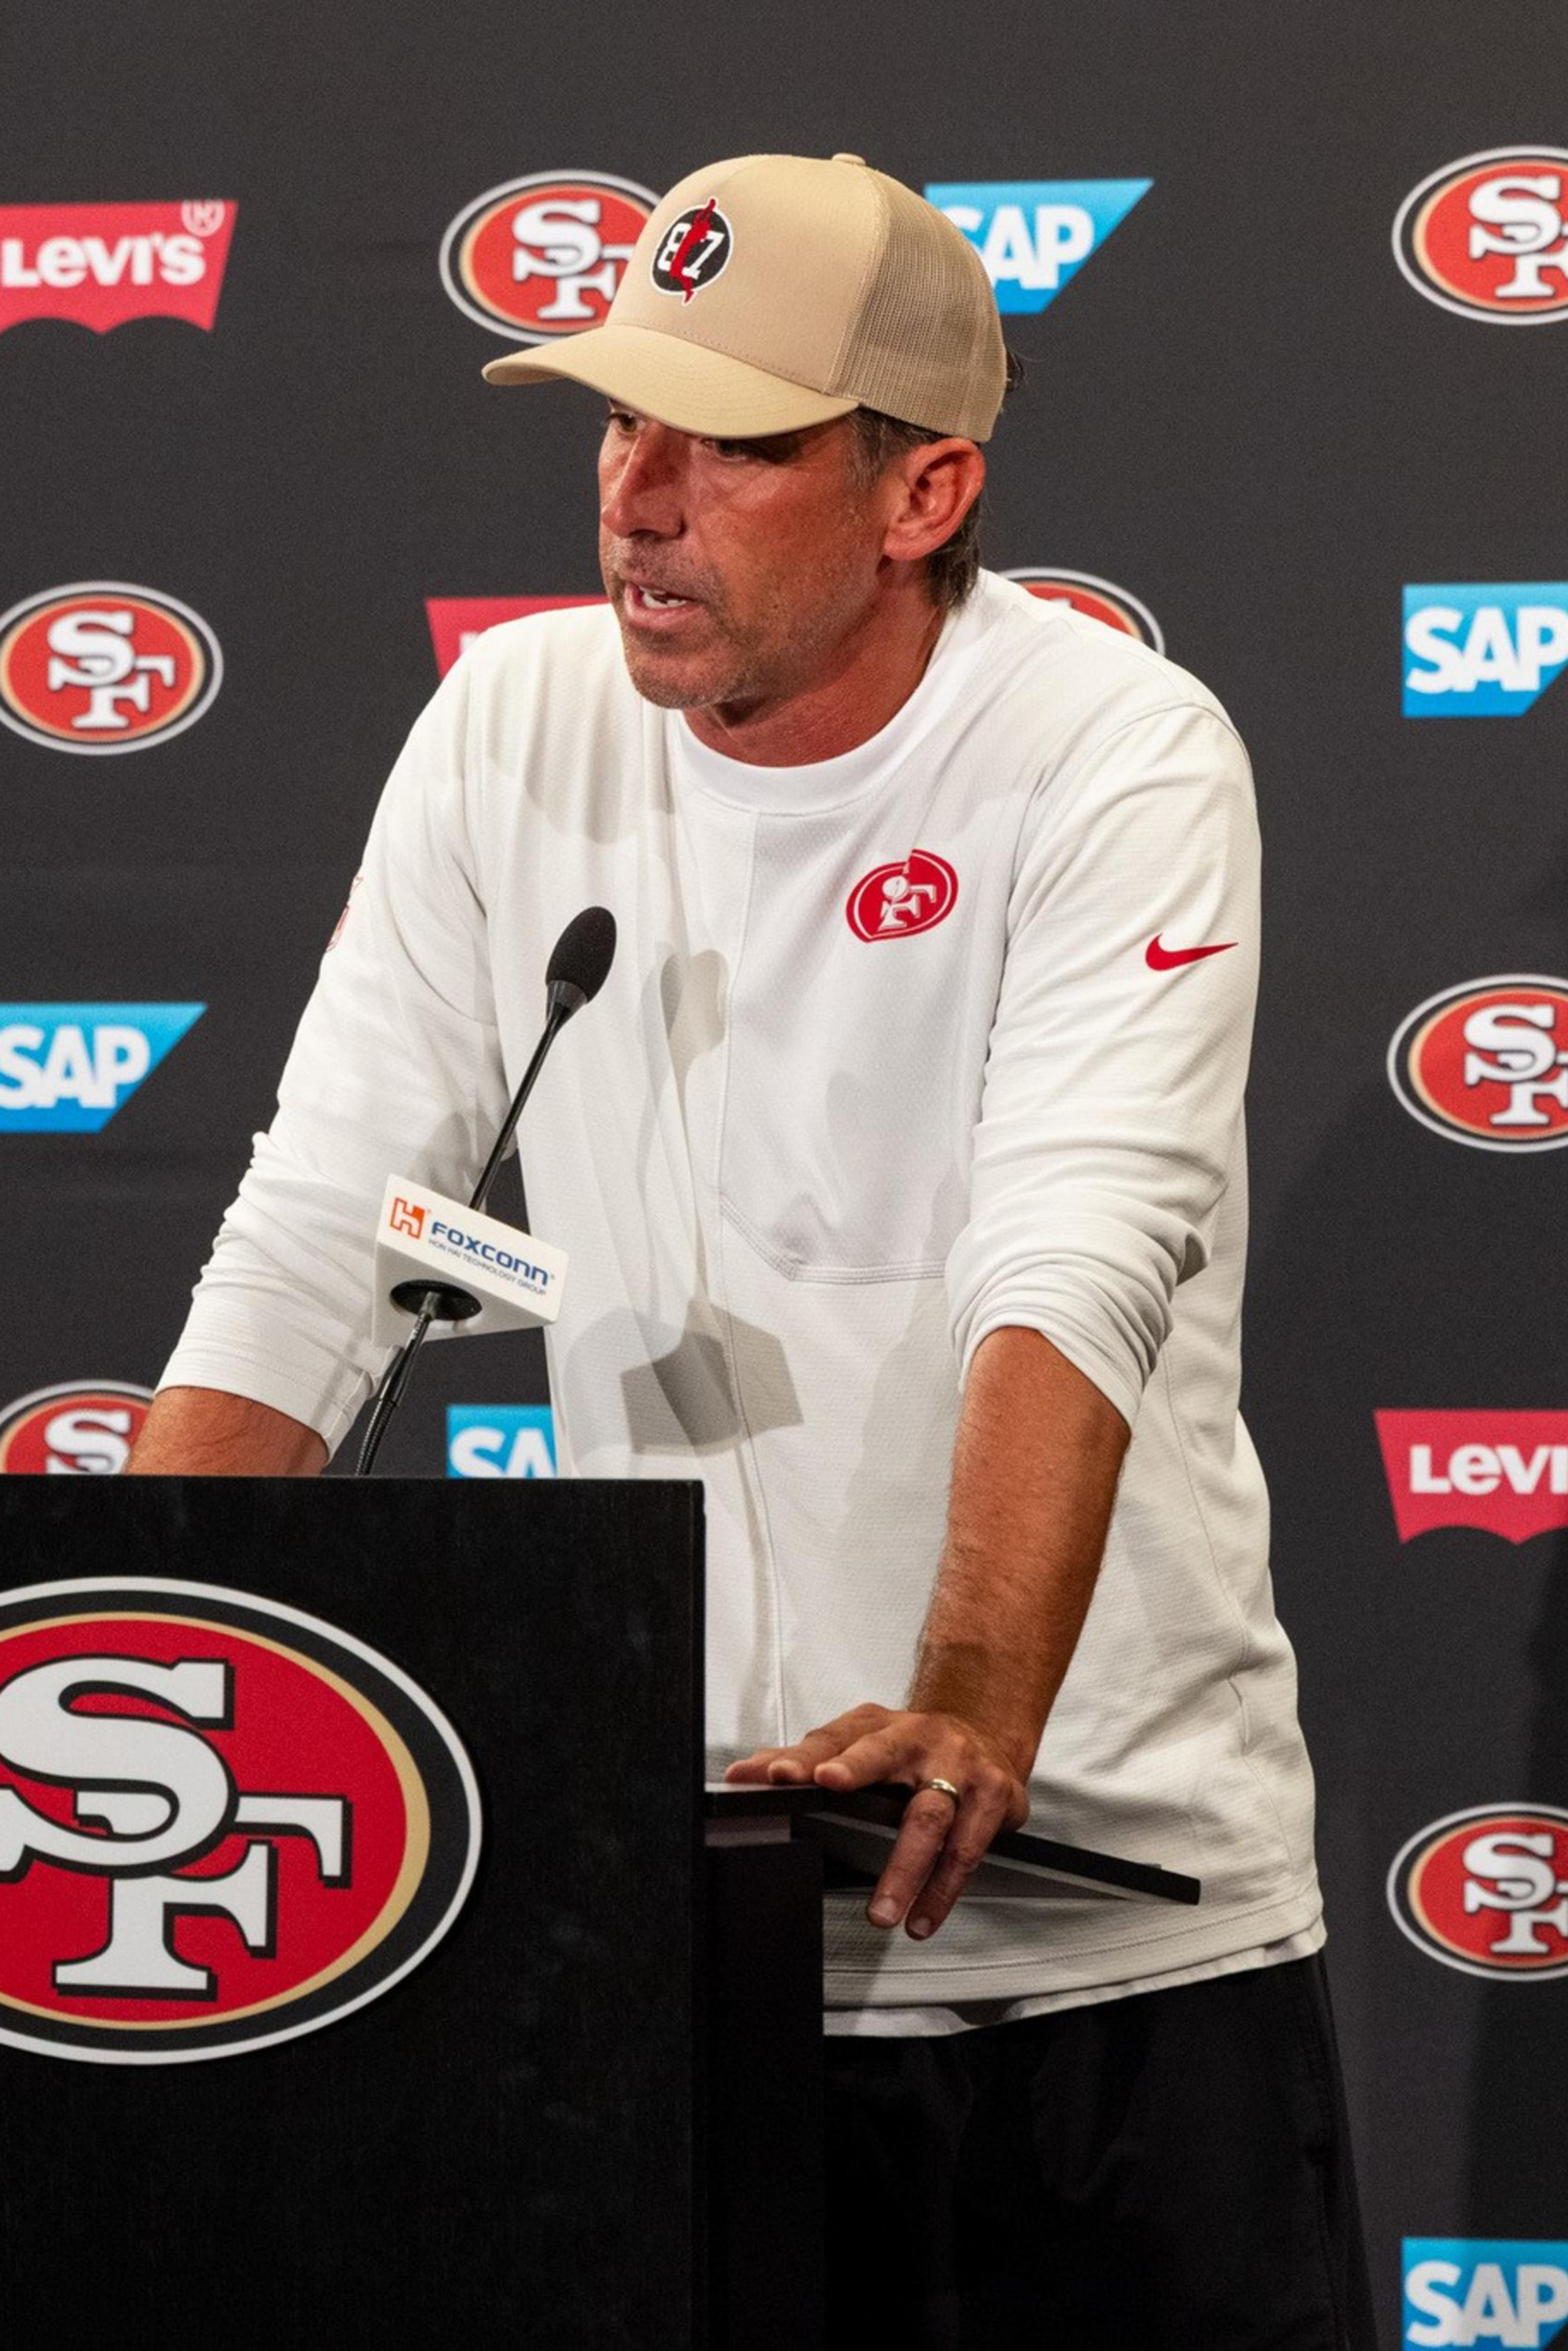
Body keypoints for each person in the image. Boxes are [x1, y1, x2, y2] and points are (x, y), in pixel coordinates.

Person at [132, 151, 1375, 2346]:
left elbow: (1071, 1254)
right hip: (677, 1947)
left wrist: (969, 1704)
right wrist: (117, 1681)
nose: (640, 495)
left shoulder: (1114, 753)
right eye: (620, 419)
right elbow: (327, 1228)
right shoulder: (512, 731)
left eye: (733, 442)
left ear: (923, 496)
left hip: (1113, 1955)